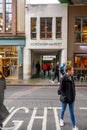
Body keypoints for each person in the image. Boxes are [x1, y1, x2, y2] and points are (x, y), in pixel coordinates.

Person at [59, 66, 79, 130]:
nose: (73, 71)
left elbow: (73, 87)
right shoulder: (63, 78)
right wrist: (65, 96)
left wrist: (74, 94)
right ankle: (61, 119)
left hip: (71, 98)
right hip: (65, 99)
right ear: (68, 71)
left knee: (72, 112)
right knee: (63, 110)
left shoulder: (72, 77)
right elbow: (61, 89)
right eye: (72, 70)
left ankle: (74, 126)